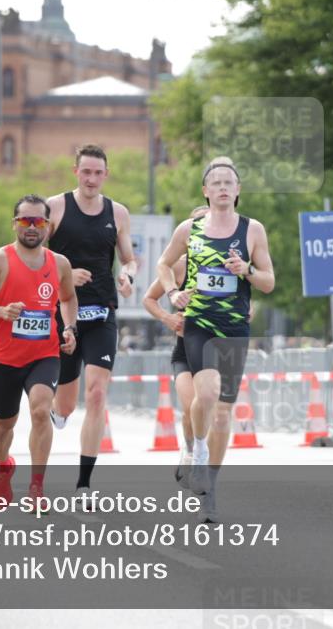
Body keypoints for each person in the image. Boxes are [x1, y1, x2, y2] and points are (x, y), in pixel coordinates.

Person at [157, 157, 275, 522]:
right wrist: (173, 291)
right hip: (199, 325)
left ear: (238, 191)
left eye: (229, 182)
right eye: (216, 182)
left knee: (223, 414)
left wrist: (247, 271)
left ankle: (210, 489)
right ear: (205, 191)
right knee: (205, 393)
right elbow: (163, 264)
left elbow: (269, 282)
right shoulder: (188, 229)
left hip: (235, 328)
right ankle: (197, 451)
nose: (223, 187)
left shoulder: (252, 229)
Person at [0, 194, 78, 506]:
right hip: (4, 358)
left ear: (48, 226)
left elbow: (68, 299)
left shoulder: (59, 263)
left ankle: (36, 487)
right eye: (25, 221)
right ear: (14, 224)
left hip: (45, 355)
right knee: (5, 425)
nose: (32, 227)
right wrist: (0, 312)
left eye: (38, 221)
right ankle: (4, 468)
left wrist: (69, 328)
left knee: (42, 411)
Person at [46, 144, 136, 498]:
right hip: (64, 313)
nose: (92, 179)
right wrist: (65, 275)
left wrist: (127, 275)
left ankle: (84, 483)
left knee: (97, 394)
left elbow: (129, 259)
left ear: (106, 175)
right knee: (67, 404)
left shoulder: (118, 212)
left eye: (98, 173)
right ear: (75, 171)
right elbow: (32, 255)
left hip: (102, 312)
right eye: (86, 171)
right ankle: (58, 409)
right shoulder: (55, 207)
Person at [143, 205, 208, 488]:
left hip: (216, 348)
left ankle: (202, 458)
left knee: (208, 408)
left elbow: (248, 304)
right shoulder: (179, 265)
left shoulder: (228, 263)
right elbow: (149, 298)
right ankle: (191, 449)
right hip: (185, 349)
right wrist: (169, 318)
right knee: (190, 405)